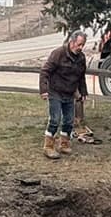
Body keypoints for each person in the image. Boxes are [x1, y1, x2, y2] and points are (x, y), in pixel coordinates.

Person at [38, 30, 90, 158]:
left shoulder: (81, 58)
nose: (81, 47)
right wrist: (44, 90)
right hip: (55, 92)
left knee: (68, 121)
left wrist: (83, 92)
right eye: (79, 44)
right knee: (55, 119)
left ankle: (64, 144)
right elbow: (45, 72)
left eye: (83, 45)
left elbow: (81, 77)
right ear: (72, 42)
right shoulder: (58, 54)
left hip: (69, 93)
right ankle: (48, 146)